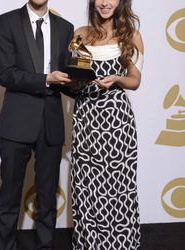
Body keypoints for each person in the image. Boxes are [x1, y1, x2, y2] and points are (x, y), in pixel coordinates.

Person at [0, 0, 74, 249]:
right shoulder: (6, 22)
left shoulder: (65, 27)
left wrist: (81, 82)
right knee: (9, 195)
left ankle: (45, 246)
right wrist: (45, 79)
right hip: (17, 121)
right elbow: (6, 74)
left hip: (50, 120)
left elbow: (67, 75)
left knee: (47, 195)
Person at [70, 0, 144, 249]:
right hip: (86, 119)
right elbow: (75, 75)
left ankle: (120, 244)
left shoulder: (131, 35)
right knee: (86, 186)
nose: (104, 2)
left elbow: (135, 80)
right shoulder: (80, 34)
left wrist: (116, 79)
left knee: (117, 186)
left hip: (117, 123)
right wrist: (72, 81)